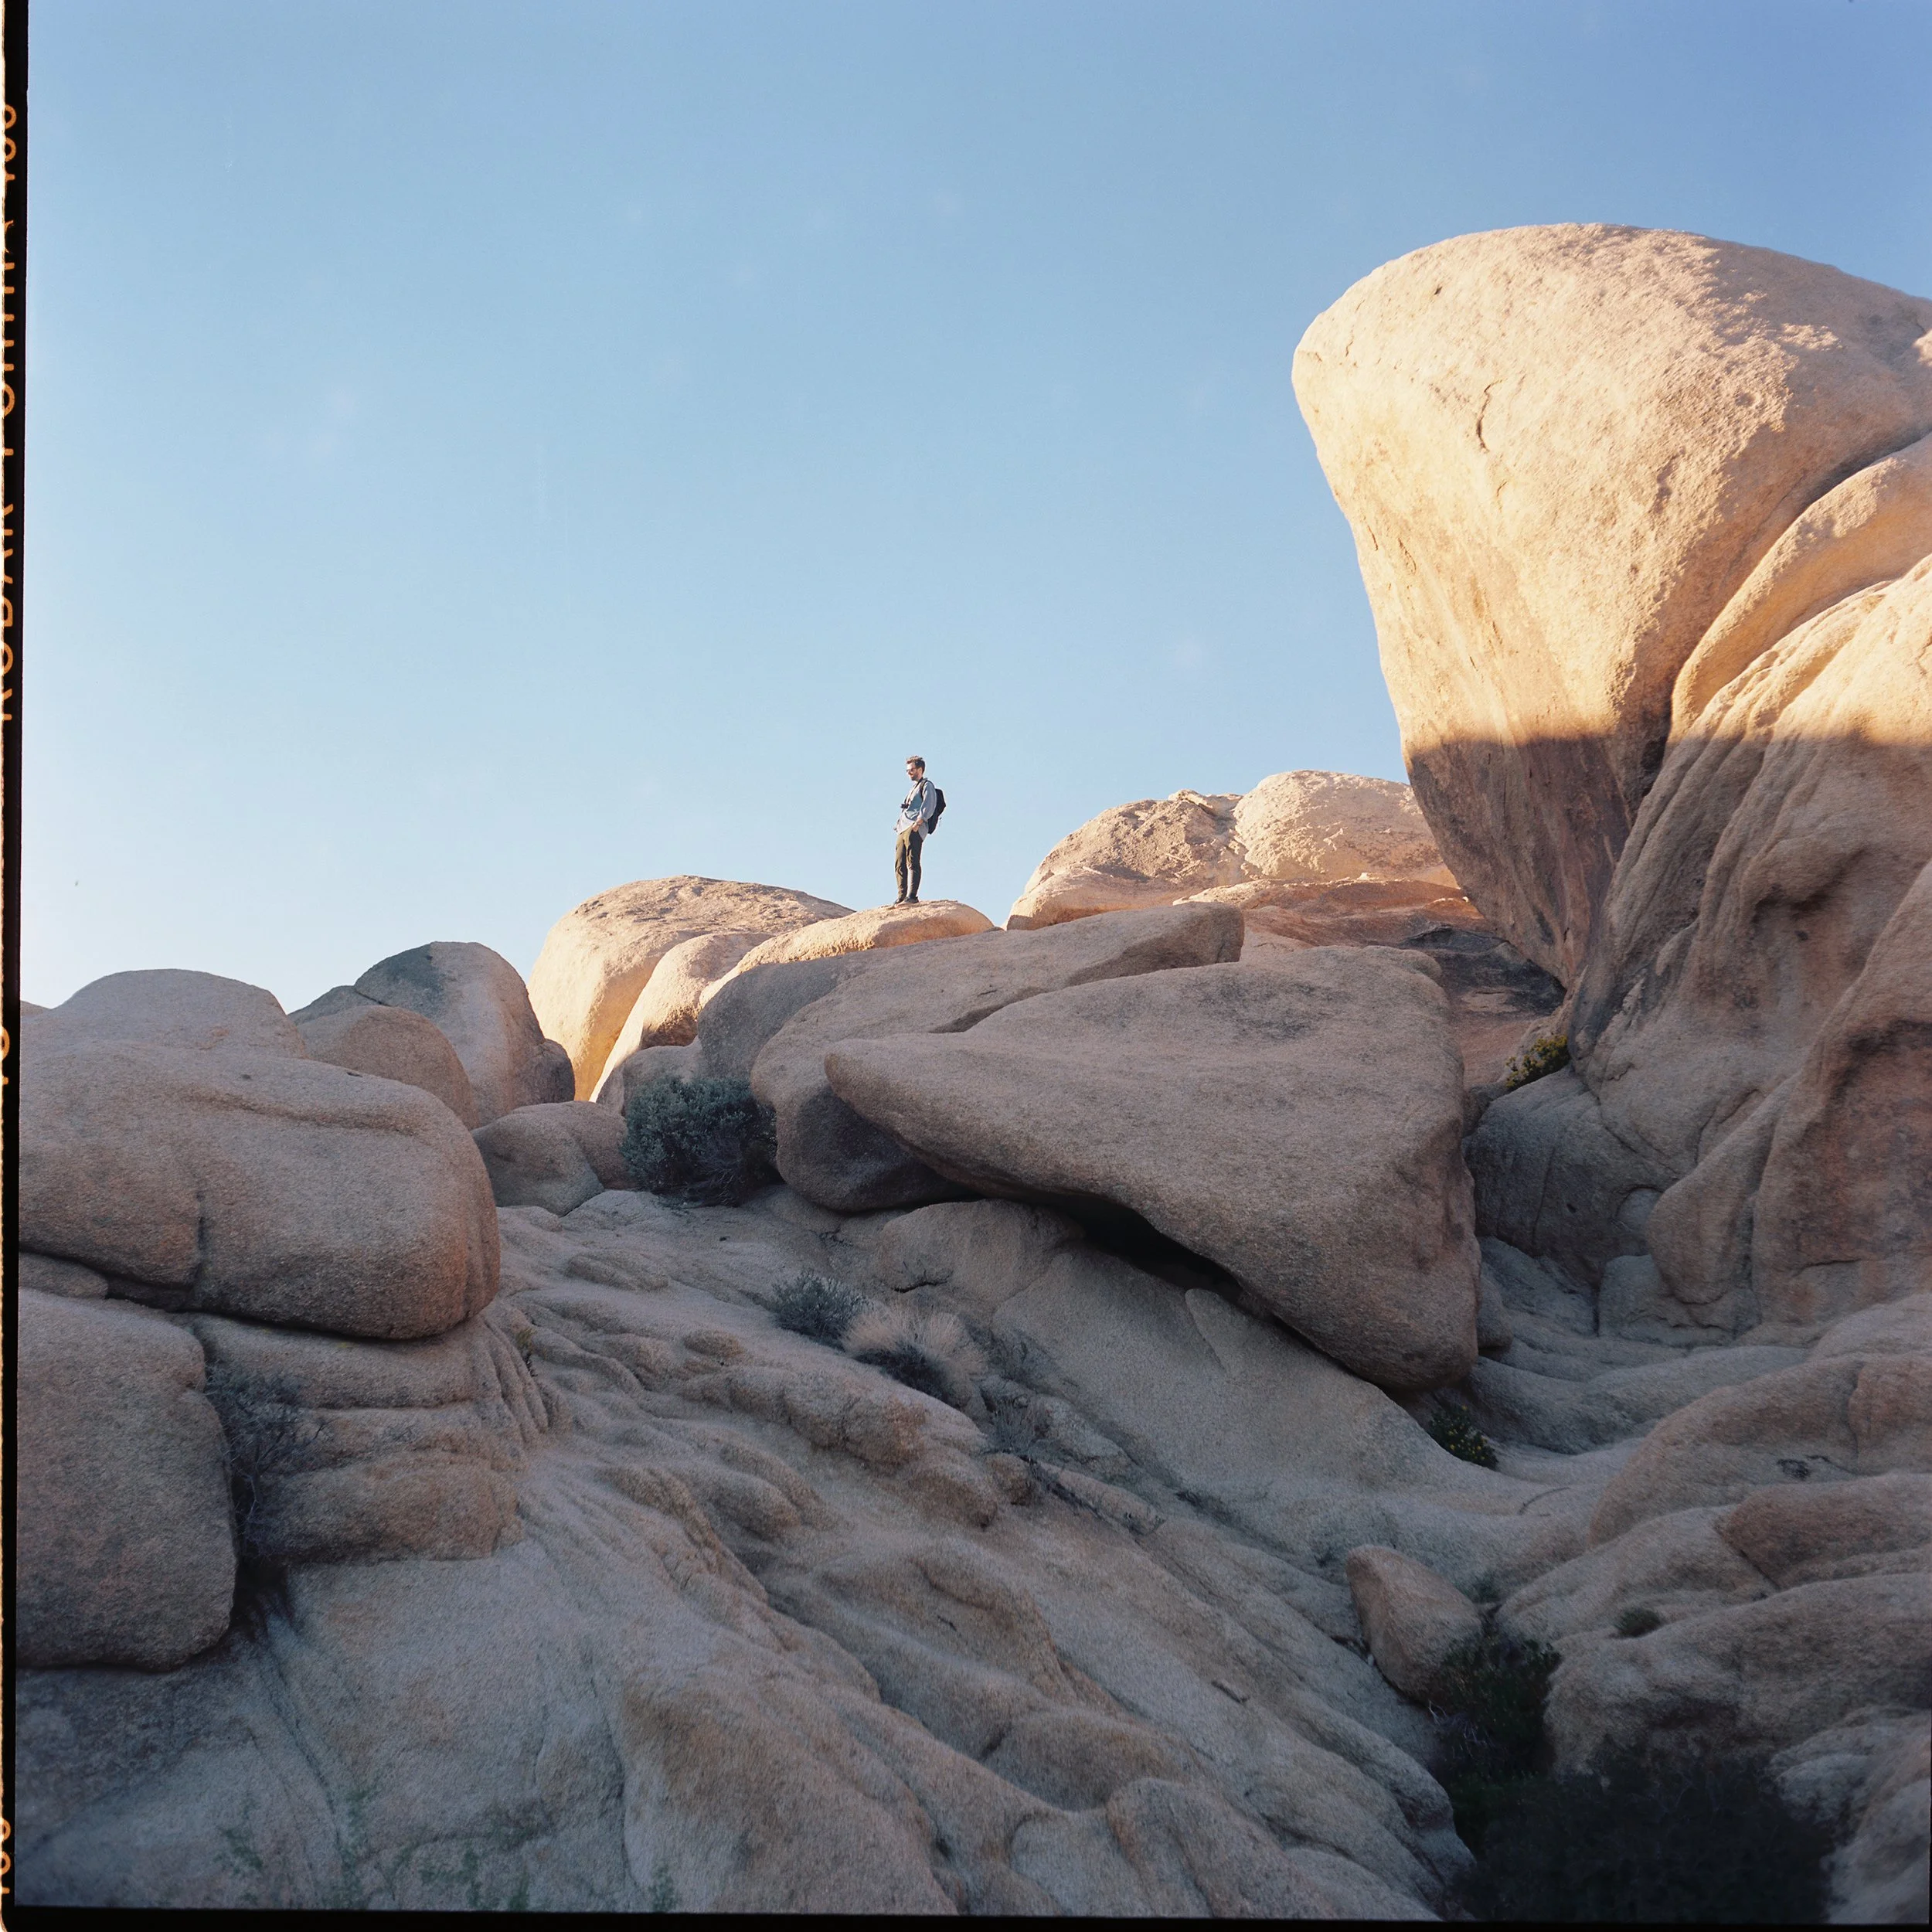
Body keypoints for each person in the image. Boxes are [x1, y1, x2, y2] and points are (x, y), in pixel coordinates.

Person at [893, 755, 938, 904]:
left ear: (920, 769)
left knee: (912, 861)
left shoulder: (926, 785)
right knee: (899, 862)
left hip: (914, 827)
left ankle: (912, 896)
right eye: (907, 770)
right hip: (903, 828)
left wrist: (919, 822)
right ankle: (901, 896)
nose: (909, 773)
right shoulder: (912, 788)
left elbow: (929, 804)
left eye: (912, 770)